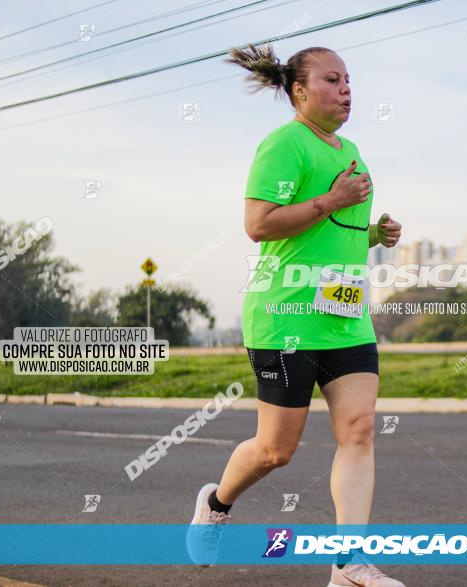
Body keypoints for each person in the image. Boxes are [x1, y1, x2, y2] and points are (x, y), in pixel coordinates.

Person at [186, 43, 404, 587]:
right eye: (332, 80)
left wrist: (377, 233)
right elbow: (260, 224)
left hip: (345, 316)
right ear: (300, 91)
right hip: (286, 317)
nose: (346, 88)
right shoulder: (284, 144)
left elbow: (334, 231)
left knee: (359, 430)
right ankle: (215, 502)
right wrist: (332, 200)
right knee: (275, 451)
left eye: (349, 79)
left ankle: (348, 565)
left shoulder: (351, 148)